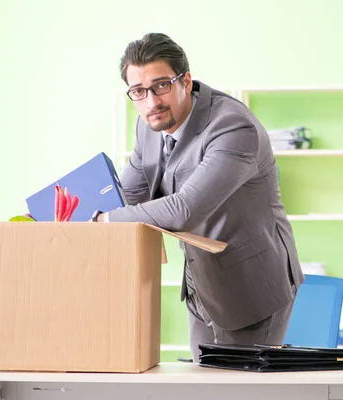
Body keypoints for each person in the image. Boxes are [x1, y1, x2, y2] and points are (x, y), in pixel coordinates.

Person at [92, 32, 304, 363]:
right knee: (203, 387)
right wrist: (64, 214)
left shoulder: (233, 126)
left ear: (185, 80)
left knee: (239, 392)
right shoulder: (148, 125)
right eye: (138, 91)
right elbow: (129, 193)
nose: (151, 102)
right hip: (201, 282)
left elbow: (184, 210)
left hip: (252, 286)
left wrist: (104, 220)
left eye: (161, 85)